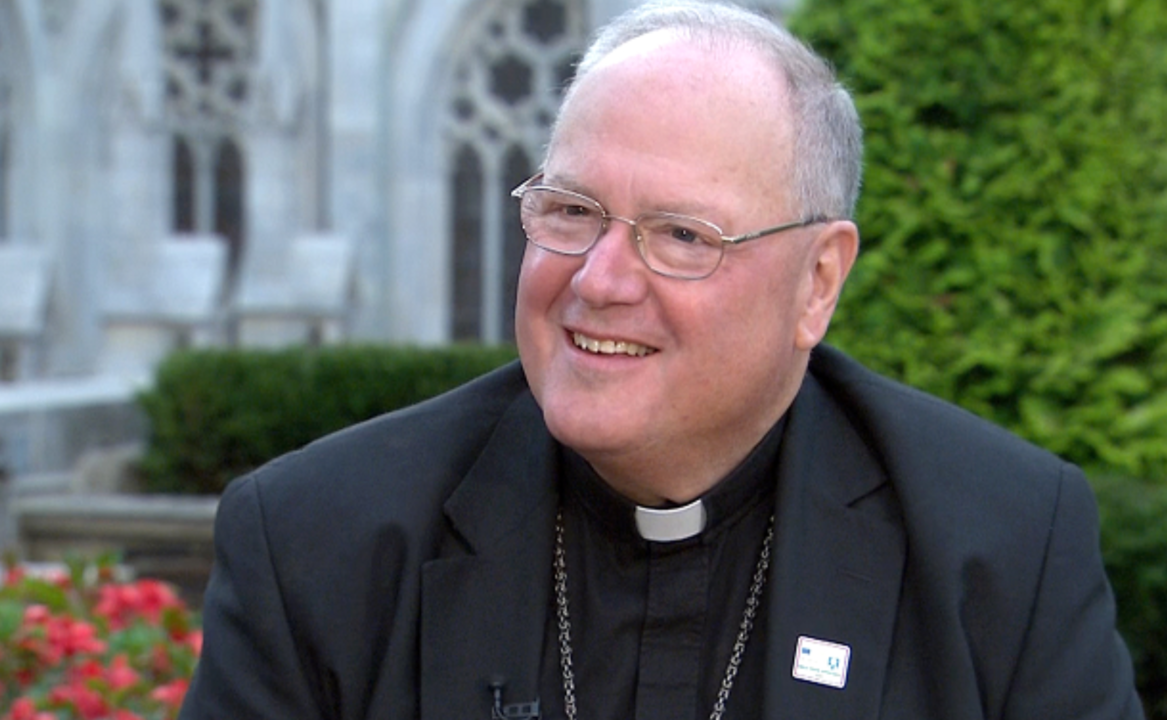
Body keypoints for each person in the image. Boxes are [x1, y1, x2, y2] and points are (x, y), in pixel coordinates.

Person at [178, 1, 1144, 718]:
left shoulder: (1003, 547)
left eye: (681, 235)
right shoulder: (316, 542)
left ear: (817, 282)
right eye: (570, 211)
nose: (598, 279)